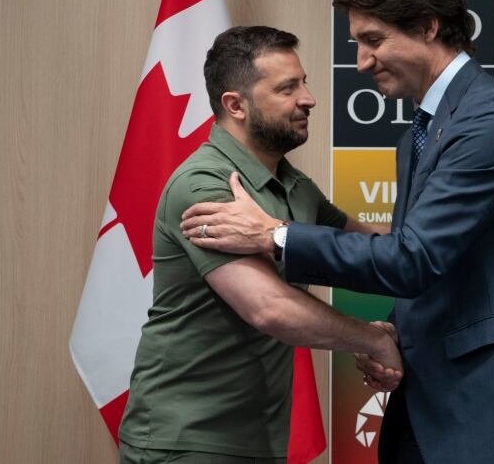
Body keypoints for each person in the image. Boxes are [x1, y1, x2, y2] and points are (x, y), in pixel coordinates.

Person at [180, 0, 494, 464]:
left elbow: (412, 258)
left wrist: (274, 235)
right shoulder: (423, 130)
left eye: (373, 40)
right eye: (357, 43)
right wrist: (394, 332)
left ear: (427, 26)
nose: (360, 62)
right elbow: (440, 261)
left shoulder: (491, 118)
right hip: (434, 398)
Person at [118, 26, 402, 464]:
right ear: (235, 105)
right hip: (186, 440)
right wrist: (370, 339)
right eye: (288, 88)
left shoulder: (294, 185)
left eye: (303, 82)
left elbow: (376, 251)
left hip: (257, 440)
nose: (308, 98)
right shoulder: (206, 185)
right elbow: (270, 307)